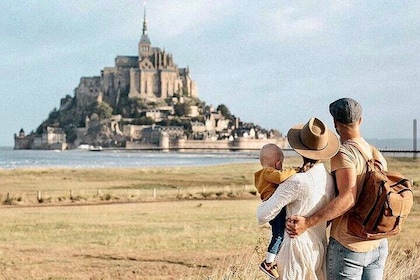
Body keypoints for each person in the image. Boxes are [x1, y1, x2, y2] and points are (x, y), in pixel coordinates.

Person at [286, 98, 388, 280]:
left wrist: (307, 222)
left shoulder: (343, 153)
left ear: (335, 123)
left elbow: (348, 197)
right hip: (377, 244)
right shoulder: (376, 153)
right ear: (360, 120)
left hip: (349, 247)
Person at [257, 117, 339, 279]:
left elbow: (263, 215)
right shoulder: (329, 179)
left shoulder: (297, 181)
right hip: (319, 248)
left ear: (299, 149)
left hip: (294, 251)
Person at [255, 143, 300, 279]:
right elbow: (280, 178)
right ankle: (268, 263)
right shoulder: (268, 173)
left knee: (278, 233)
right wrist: (295, 171)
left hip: (271, 207)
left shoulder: (262, 174)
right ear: (278, 164)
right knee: (279, 234)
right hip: (275, 209)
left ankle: (271, 259)